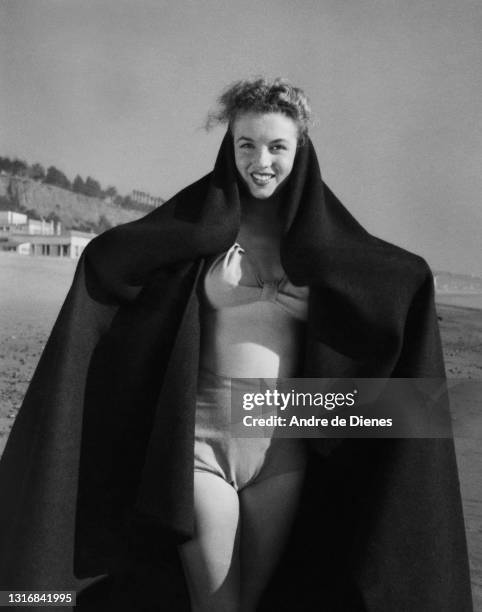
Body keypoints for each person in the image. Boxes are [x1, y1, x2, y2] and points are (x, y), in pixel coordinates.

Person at [0, 78, 473, 612]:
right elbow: (113, 262)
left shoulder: (326, 255)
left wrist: (339, 315)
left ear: (302, 150)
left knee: (255, 604)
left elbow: (392, 286)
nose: (261, 160)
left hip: (283, 446)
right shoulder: (198, 231)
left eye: (277, 146)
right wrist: (204, 292)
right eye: (246, 144)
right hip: (202, 444)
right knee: (218, 606)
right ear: (229, 146)